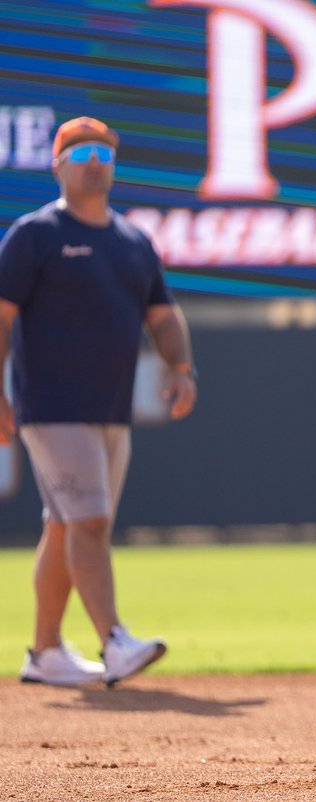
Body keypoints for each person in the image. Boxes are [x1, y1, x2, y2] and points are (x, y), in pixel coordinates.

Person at [0, 117, 197, 688]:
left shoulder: (132, 241)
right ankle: (115, 640)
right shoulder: (35, 235)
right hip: (52, 404)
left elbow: (162, 313)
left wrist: (181, 368)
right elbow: (2, 315)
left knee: (67, 526)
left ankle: (44, 653)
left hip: (111, 407)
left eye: (105, 153)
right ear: (58, 163)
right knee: (88, 521)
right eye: (82, 151)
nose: (94, 162)